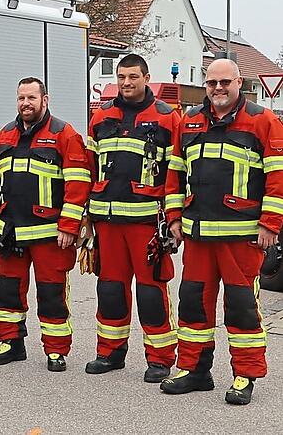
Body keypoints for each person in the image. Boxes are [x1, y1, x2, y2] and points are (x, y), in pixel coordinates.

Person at [160, 58, 283, 405]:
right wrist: (174, 217)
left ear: (239, 83)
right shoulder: (190, 121)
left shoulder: (263, 121)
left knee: (241, 308)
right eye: (212, 82)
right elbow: (175, 172)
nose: (218, 88)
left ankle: (245, 375)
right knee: (193, 305)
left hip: (241, 237)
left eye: (225, 82)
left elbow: (277, 177)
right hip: (198, 236)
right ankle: (194, 370)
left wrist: (270, 223)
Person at [0, 77, 91, 372]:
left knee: (52, 294)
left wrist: (69, 225)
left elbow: (78, 184)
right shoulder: (5, 135)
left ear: (45, 100)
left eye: (31, 98)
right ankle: (10, 343)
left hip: (49, 233)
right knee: (8, 291)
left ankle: (56, 350)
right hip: (10, 231)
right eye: (21, 98)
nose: (25, 103)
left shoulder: (64, 134)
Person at [83, 54, 181, 383]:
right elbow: (89, 167)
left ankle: (160, 359)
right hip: (107, 222)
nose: (126, 83)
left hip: (147, 224)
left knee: (151, 293)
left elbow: (175, 173)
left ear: (146, 78)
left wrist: (173, 217)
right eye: (122, 77)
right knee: (110, 289)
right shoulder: (101, 117)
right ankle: (110, 352)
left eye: (133, 77)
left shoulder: (167, 117)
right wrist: (85, 215)